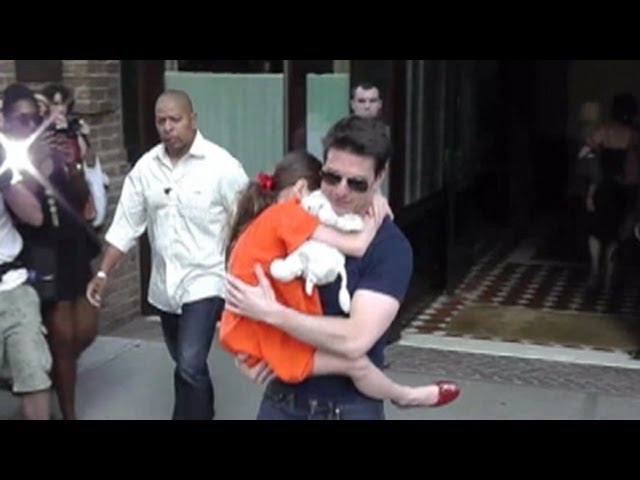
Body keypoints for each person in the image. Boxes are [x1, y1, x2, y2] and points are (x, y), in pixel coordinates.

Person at [226, 115, 460, 420]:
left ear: (379, 178)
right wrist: (250, 353)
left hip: (348, 409)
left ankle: (406, 397)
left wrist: (274, 315)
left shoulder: (389, 247)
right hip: (281, 401)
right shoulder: (300, 214)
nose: (340, 190)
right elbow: (244, 289)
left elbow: (354, 339)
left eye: (357, 183)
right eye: (332, 177)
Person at [86, 89, 249, 420]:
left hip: (206, 279)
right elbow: (126, 225)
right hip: (164, 286)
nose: (168, 127)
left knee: (189, 362)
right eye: (161, 121)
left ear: (193, 120)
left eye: (175, 119)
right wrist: (103, 272)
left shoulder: (222, 166)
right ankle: (200, 410)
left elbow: (247, 223)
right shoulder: (146, 169)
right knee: (186, 364)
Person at [0, 88, 53, 420]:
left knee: (34, 376)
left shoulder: (5, 155)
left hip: (12, 287)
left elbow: (34, 215)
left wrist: (5, 180)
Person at [580, 93, 639, 292]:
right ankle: (609, 277)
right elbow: (633, 172)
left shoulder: (603, 131)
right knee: (615, 234)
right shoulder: (633, 136)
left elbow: (584, 154)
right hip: (622, 189)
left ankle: (595, 273)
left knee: (596, 232)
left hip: (602, 188)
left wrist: (590, 190)